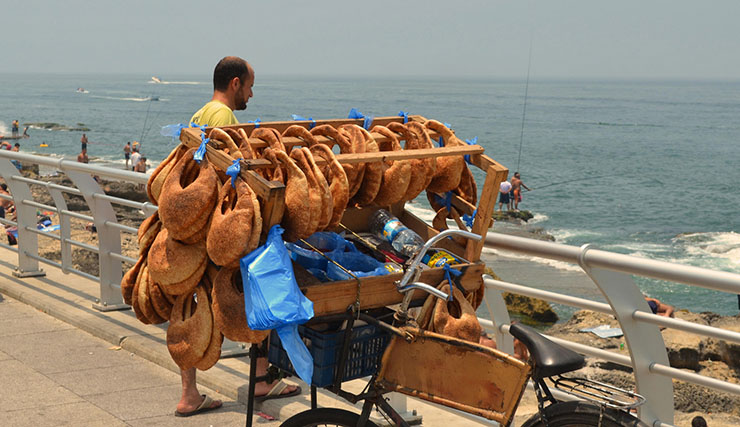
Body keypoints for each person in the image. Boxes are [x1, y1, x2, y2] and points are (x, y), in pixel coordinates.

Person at [175, 56, 297, 417]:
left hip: (195, 229)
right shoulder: (225, 118)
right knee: (256, 291)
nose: (251, 94)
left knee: (192, 308)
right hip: (219, 230)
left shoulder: (200, 113)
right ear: (234, 84)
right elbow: (233, 177)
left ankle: (190, 394)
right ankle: (260, 379)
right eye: (249, 85)